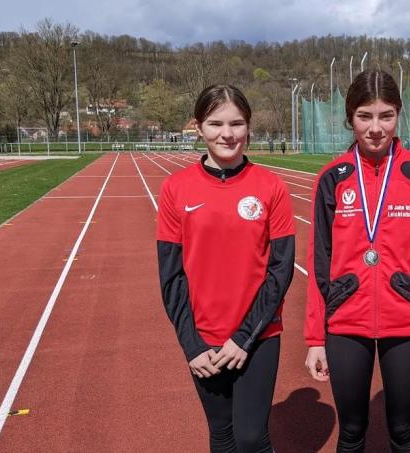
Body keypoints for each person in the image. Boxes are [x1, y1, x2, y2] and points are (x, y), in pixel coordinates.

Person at [304, 69, 410, 453]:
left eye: (386, 116)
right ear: (349, 117)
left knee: (402, 430)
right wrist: (316, 339)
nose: (375, 128)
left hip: (406, 323)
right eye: (364, 116)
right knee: (352, 431)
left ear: (399, 114)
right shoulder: (332, 178)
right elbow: (319, 262)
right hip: (345, 323)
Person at [156, 84, 295, 452]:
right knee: (221, 433)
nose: (227, 134)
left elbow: (281, 270)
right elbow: (171, 276)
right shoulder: (175, 188)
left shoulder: (271, 187)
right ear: (199, 126)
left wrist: (244, 338)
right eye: (216, 124)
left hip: (258, 335)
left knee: (251, 437)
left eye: (236, 123)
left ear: (248, 126)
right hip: (204, 339)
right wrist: (191, 345)